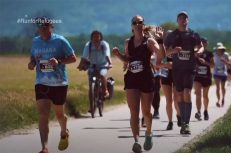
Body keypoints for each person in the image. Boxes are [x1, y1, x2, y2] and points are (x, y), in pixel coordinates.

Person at [112, 15, 162, 153]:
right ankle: (136, 141)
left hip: (146, 78)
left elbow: (161, 55)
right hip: (132, 78)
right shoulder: (128, 42)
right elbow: (127, 60)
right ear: (132, 26)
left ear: (143, 24)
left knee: (146, 111)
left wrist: (160, 40)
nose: (137, 24)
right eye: (135, 22)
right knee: (134, 112)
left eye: (140, 22)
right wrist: (117, 54)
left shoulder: (149, 41)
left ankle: (149, 133)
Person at [28, 17, 76, 153]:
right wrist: (31, 64)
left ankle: (63, 131)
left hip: (59, 83)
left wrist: (59, 61)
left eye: (46, 25)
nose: (43, 28)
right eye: (40, 26)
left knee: (59, 115)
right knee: (43, 113)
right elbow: (32, 58)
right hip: (41, 82)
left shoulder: (60, 40)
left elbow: (73, 58)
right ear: (37, 28)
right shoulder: (35, 42)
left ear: (51, 27)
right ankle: (44, 148)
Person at [164, 11, 201, 135]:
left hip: (189, 68)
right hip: (177, 69)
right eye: (180, 18)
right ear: (177, 20)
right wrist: (174, 50)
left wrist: (198, 51)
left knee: (187, 92)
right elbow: (165, 53)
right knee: (179, 95)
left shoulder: (193, 34)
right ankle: (182, 119)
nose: (183, 20)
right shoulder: (172, 35)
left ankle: (186, 123)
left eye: (185, 18)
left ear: (188, 20)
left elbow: (200, 46)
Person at [80, 30, 112, 112]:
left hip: (103, 65)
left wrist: (110, 63)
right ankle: (92, 105)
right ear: (91, 38)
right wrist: (81, 65)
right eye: (94, 36)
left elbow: (107, 55)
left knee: (102, 75)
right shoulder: (89, 45)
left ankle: (105, 91)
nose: (96, 38)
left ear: (101, 37)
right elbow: (84, 56)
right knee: (91, 85)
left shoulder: (104, 44)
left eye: (98, 36)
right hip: (92, 65)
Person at [194, 37, 214, 121]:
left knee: (205, 96)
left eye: (205, 42)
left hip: (206, 76)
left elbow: (213, 65)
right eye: (201, 42)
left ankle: (205, 111)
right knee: (198, 94)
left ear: (207, 44)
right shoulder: (195, 53)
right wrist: (196, 66)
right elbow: (190, 63)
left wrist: (205, 62)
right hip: (197, 77)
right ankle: (198, 112)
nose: (203, 44)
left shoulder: (209, 54)